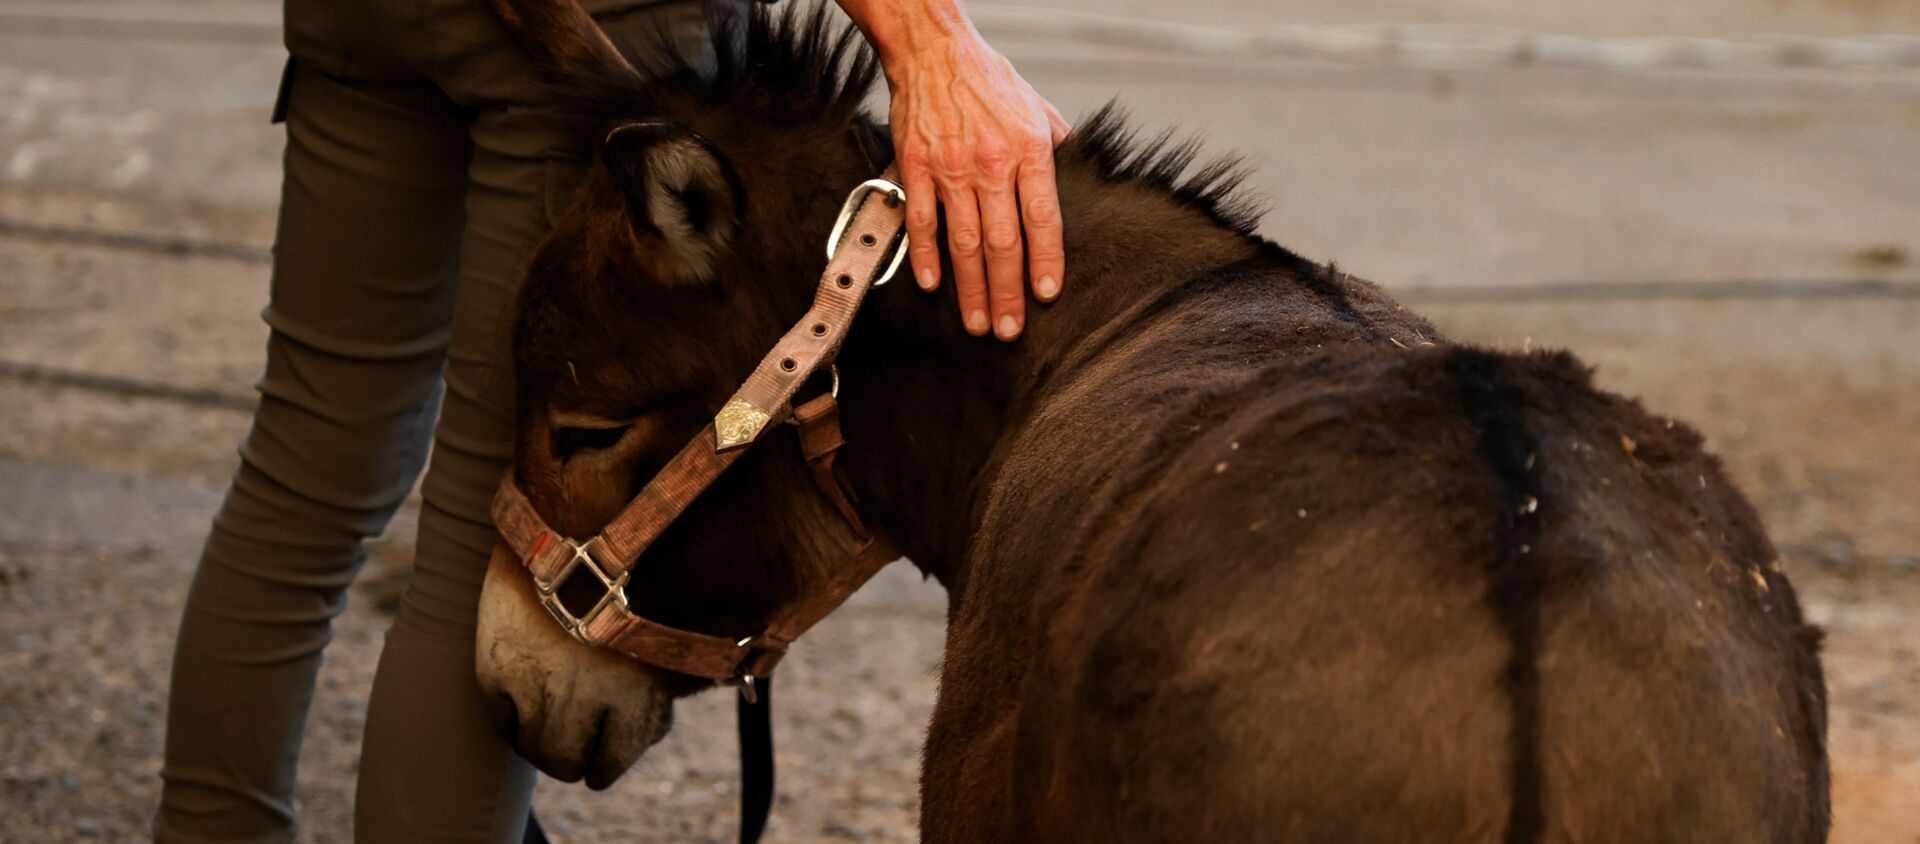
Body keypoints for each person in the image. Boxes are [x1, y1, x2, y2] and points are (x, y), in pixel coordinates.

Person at [153, 0, 1067, 840]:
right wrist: (927, 38)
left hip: (367, 19)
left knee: (297, 489)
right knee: (502, 538)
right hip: (590, 23)